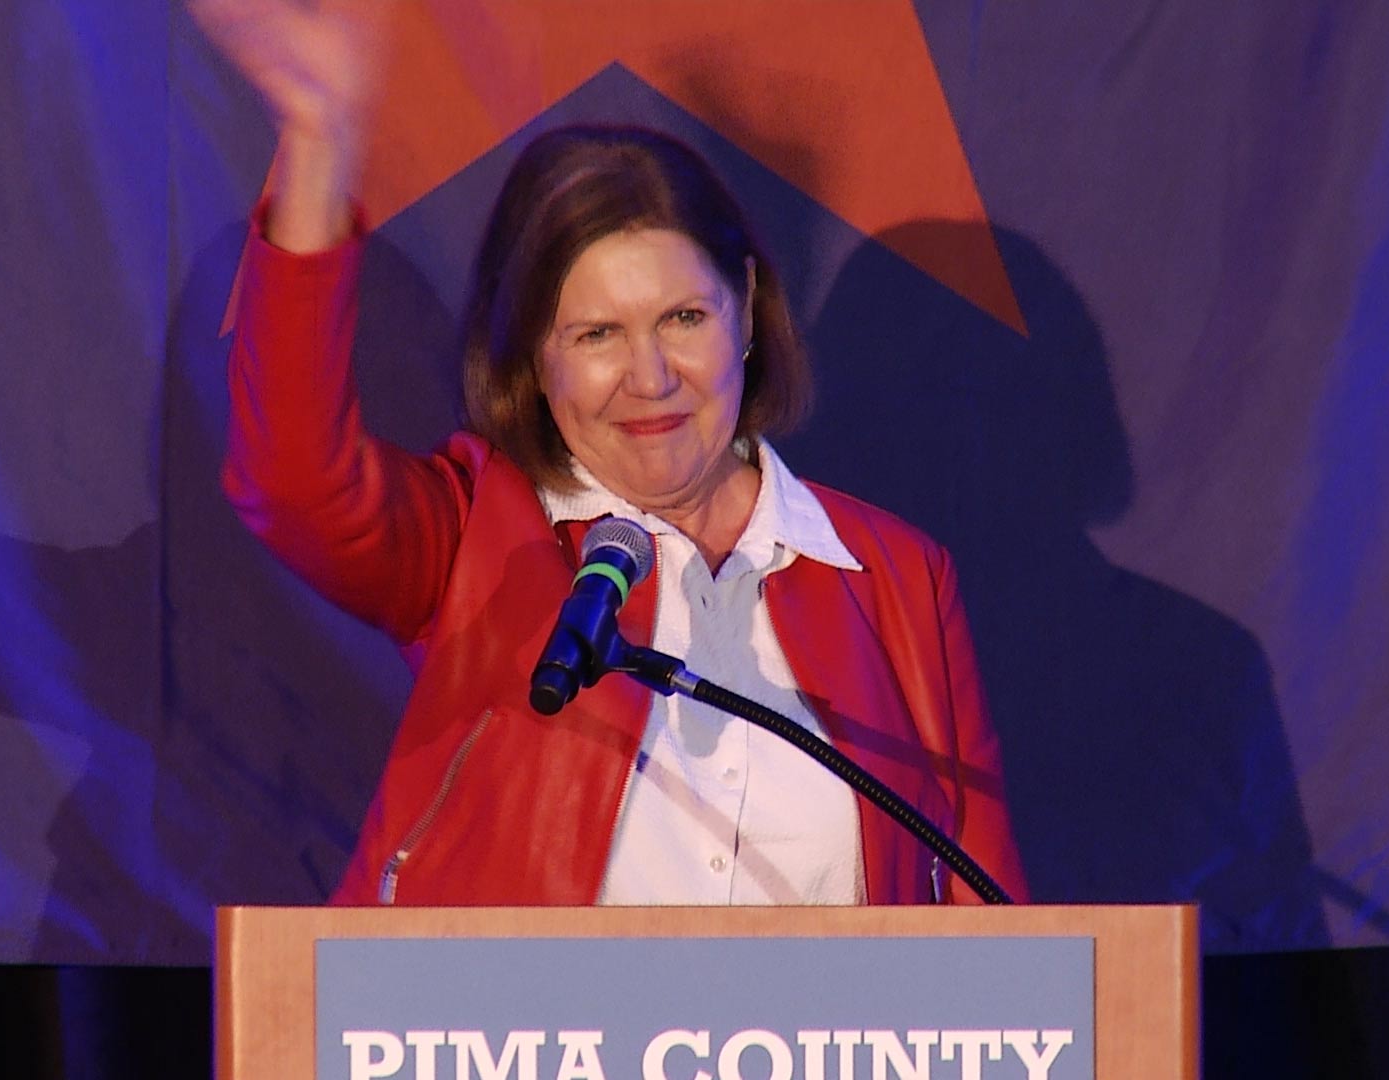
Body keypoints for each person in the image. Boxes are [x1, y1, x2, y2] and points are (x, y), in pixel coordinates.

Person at [198, 0, 1027, 905]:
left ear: (744, 310)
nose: (650, 377)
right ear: (535, 360)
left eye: (682, 319)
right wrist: (320, 143)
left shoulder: (901, 581)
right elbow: (293, 482)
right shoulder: (476, 536)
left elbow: (996, 934)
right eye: (597, 334)